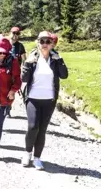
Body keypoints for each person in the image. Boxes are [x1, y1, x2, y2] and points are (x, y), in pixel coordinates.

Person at [21, 31, 69, 170]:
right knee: (33, 127)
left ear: (52, 44)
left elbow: (64, 75)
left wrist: (59, 59)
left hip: (49, 100)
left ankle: (37, 158)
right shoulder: (33, 58)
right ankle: (27, 153)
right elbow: (24, 79)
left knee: (42, 130)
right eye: (42, 41)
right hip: (33, 98)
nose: (45, 44)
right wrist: (27, 64)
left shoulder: (55, 59)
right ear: (38, 43)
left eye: (48, 42)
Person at [5, 27, 27, 117]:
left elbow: (24, 60)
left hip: (15, 73)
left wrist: (24, 72)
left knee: (12, 91)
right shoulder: (5, 44)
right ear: (10, 33)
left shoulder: (20, 46)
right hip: (5, 71)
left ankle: (8, 108)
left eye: (17, 34)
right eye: (14, 33)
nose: (15, 35)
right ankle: (2, 106)